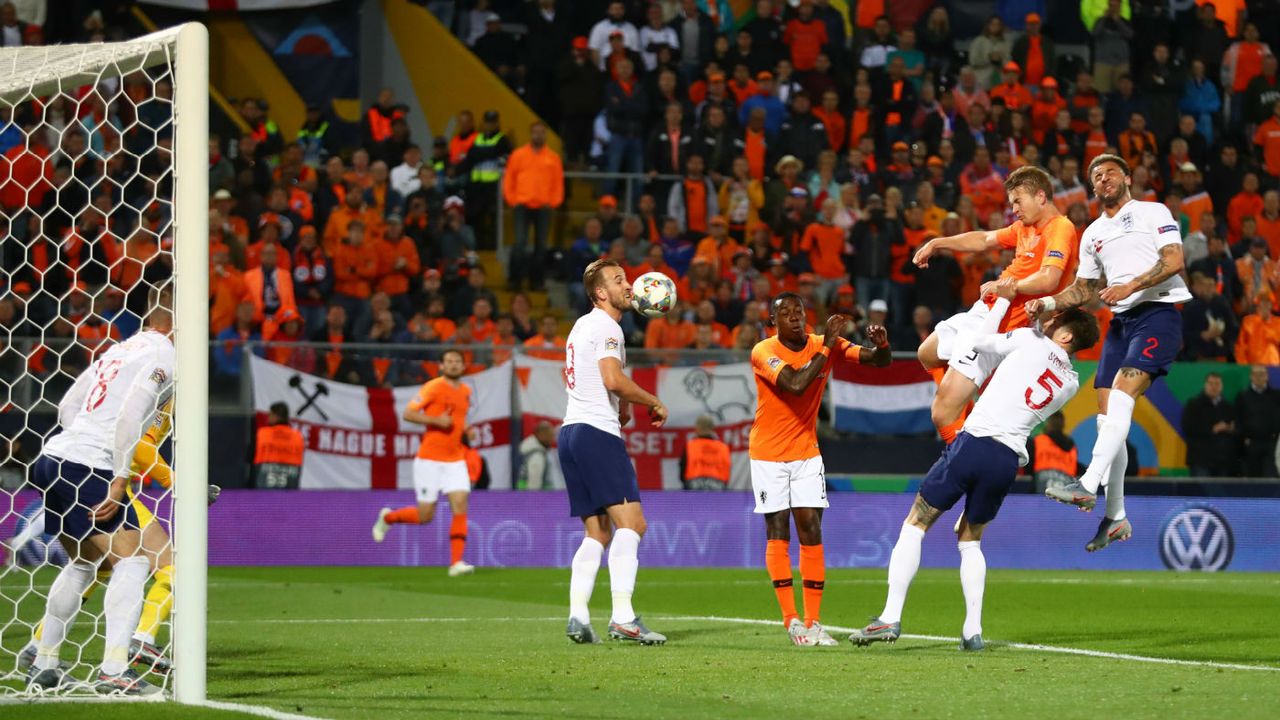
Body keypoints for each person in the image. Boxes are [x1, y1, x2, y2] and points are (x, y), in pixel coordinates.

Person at [849, 303, 1097, 651]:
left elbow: (980, 342)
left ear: (1067, 334)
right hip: (1007, 460)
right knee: (971, 540)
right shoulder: (1071, 383)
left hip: (976, 442)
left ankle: (890, 617)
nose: (1049, 321)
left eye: (1056, 321)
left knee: (915, 523)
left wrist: (1008, 315)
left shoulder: (1029, 338)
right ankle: (972, 631)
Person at [1030, 154, 1191, 552]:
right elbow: (1084, 289)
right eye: (1095, 176)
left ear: (1128, 178)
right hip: (1120, 325)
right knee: (1107, 421)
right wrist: (1048, 304)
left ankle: (1087, 484)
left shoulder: (1153, 211)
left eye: (1109, 173)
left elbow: (1174, 260)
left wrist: (1130, 285)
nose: (1102, 179)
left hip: (1157, 314)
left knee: (1121, 395)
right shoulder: (1092, 233)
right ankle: (1115, 516)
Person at [26, 300, 176, 695]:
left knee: (82, 565)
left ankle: (45, 664)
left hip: (53, 457)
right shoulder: (165, 354)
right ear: (176, 318)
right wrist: (117, 475)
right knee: (133, 562)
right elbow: (130, 415)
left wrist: (82, 440)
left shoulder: (120, 348)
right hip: (88, 466)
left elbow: (68, 405)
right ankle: (114, 670)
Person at [750, 292, 890, 646]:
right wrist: (826, 347)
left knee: (811, 528)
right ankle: (791, 621)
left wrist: (883, 345)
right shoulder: (763, 352)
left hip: (806, 451)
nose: (796, 318)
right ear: (773, 321)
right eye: (786, 314)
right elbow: (796, 386)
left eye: (799, 312)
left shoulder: (820, 342)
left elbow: (878, 362)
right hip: (768, 454)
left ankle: (812, 622)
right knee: (778, 529)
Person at [912, 165, 1078, 444]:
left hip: (1004, 324)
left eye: (1018, 201)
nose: (1014, 209)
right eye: (1012, 202)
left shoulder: (1060, 228)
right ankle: (970, 425)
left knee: (941, 413)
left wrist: (1008, 287)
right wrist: (938, 243)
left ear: (1040, 197)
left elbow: (1049, 279)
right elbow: (985, 238)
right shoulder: (1025, 227)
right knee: (927, 352)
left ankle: (963, 450)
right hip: (988, 308)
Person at [560, 258, 669, 645]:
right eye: (619, 280)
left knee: (597, 532)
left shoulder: (582, 325)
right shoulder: (607, 326)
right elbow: (612, 378)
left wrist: (618, 405)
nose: (630, 285)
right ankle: (623, 617)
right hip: (595, 433)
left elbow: (590, 375)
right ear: (600, 293)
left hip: (570, 431)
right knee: (633, 525)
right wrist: (650, 401)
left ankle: (578, 617)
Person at [371, 349, 475, 577]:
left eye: (458, 361)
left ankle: (456, 563)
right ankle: (388, 517)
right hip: (429, 459)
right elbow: (408, 413)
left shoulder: (466, 391)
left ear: (463, 366)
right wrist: (435, 420)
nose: (454, 365)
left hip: (455, 458)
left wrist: (467, 430)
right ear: (441, 366)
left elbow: (458, 420)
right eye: (449, 361)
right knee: (425, 515)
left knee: (460, 503)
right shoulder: (434, 387)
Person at [1237, 365, 1280, 478]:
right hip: (1251, 444)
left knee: (1271, 477)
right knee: (1253, 478)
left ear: (1267, 377)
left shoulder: (1276, 396)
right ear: (1251, 377)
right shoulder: (1243, 396)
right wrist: (1244, 437)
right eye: (1256, 374)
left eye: (1262, 374)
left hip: (1272, 443)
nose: (1259, 377)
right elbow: (1238, 419)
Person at [253, 401, 305, 489]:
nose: (268, 418)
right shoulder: (298, 437)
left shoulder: (262, 433)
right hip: (290, 485)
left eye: (270, 415)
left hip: (263, 484)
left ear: (276, 416)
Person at [680, 415, 731, 490]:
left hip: (693, 487)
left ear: (697, 428)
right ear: (712, 428)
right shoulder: (723, 447)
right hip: (718, 488)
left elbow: (682, 471)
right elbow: (726, 470)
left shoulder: (690, 446)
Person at [517, 421, 560, 490]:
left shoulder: (531, 452)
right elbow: (534, 485)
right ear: (540, 435)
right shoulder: (537, 456)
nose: (551, 440)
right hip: (538, 499)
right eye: (549, 436)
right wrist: (534, 500)